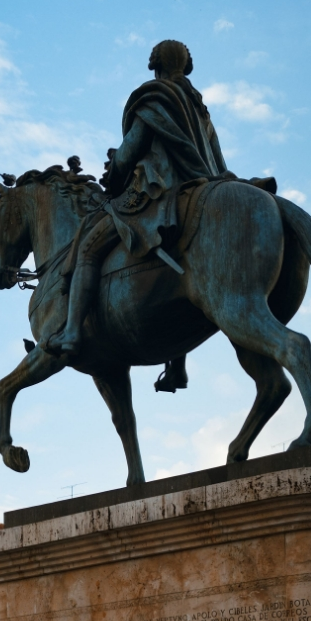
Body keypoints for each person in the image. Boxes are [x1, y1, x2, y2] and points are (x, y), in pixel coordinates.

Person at [44, 40, 227, 389]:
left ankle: (70, 332)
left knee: (87, 248)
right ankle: (176, 366)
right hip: (201, 185)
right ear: (186, 65)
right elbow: (216, 158)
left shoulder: (153, 96)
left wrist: (114, 172)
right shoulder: (199, 107)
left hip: (154, 191)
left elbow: (131, 150)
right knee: (183, 267)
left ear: (154, 63)